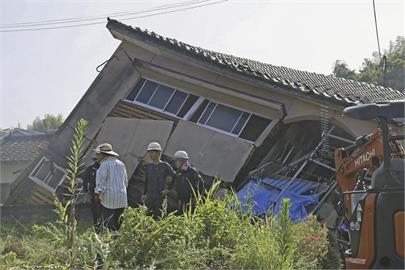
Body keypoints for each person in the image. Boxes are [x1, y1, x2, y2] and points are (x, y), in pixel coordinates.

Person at [94, 143, 128, 231]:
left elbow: (101, 184)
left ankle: (109, 242)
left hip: (109, 199)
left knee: (108, 223)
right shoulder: (121, 164)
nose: (96, 157)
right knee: (118, 224)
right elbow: (125, 181)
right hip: (122, 198)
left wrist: (97, 194)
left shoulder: (104, 165)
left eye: (97, 154)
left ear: (102, 154)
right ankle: (118, 242)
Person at [141, 142, 175, 218]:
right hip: (149, 197)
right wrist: (144, 194)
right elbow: (146, 181)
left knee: (158, 217)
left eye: (152, 152)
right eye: (149, 152)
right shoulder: (149, 166)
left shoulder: (165, 165)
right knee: (147, 217)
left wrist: (168, 189)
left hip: (159, 197)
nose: (150, 154)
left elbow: (175, 177)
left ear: (158, 153)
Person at [171, 150, 205, 214]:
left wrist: (195, 199)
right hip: (182, 202)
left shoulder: (192, 172)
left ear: (182, 161)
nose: (175, 163)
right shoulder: (178, 174)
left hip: (191, 203)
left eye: (176, 161)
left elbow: (201, 186)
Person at [81, 157, 101, 232]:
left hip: (104, 193)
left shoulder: (106, 168)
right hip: (94, 194)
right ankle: (97, 230)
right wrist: (86, 192)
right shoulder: (90, 169)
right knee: (95, 212)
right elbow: (85, 181)